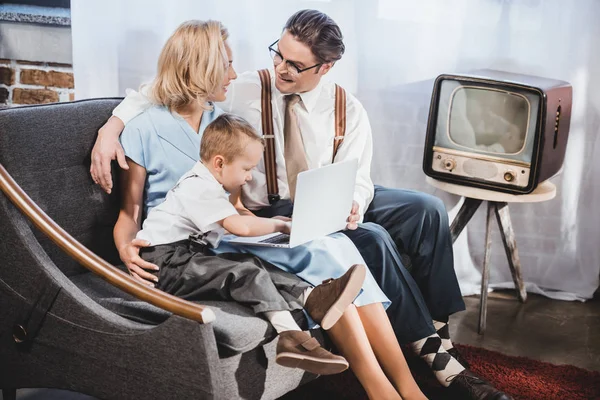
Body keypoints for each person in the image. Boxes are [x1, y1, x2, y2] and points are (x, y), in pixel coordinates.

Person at [91, 11, 511, 400]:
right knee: (364, 244)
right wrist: (114, 126)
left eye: (295, 65)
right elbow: (161, 96)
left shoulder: (228, 115)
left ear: (324, 68)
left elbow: (347, 178)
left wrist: (348, 205)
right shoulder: (222, 98)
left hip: (274, 211)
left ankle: (424, 354)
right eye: (279, 56)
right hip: (213, 233)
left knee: (419, 213)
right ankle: (405, 378)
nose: (278, 69)